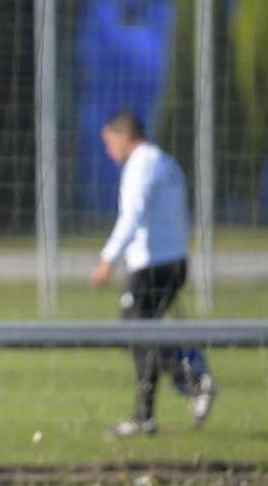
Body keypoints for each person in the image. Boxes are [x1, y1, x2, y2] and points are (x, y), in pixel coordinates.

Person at [90, 110, 216, 436]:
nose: (108, 150)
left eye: (109, 142)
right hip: (173, 261)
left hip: (152, 265)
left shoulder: (141, 165)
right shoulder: (164, 162)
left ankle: (194, 379)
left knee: (135, 331)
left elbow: (132, 215)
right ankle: (146, 415)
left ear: (124, 136)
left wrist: (108, 258)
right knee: (140, 333)